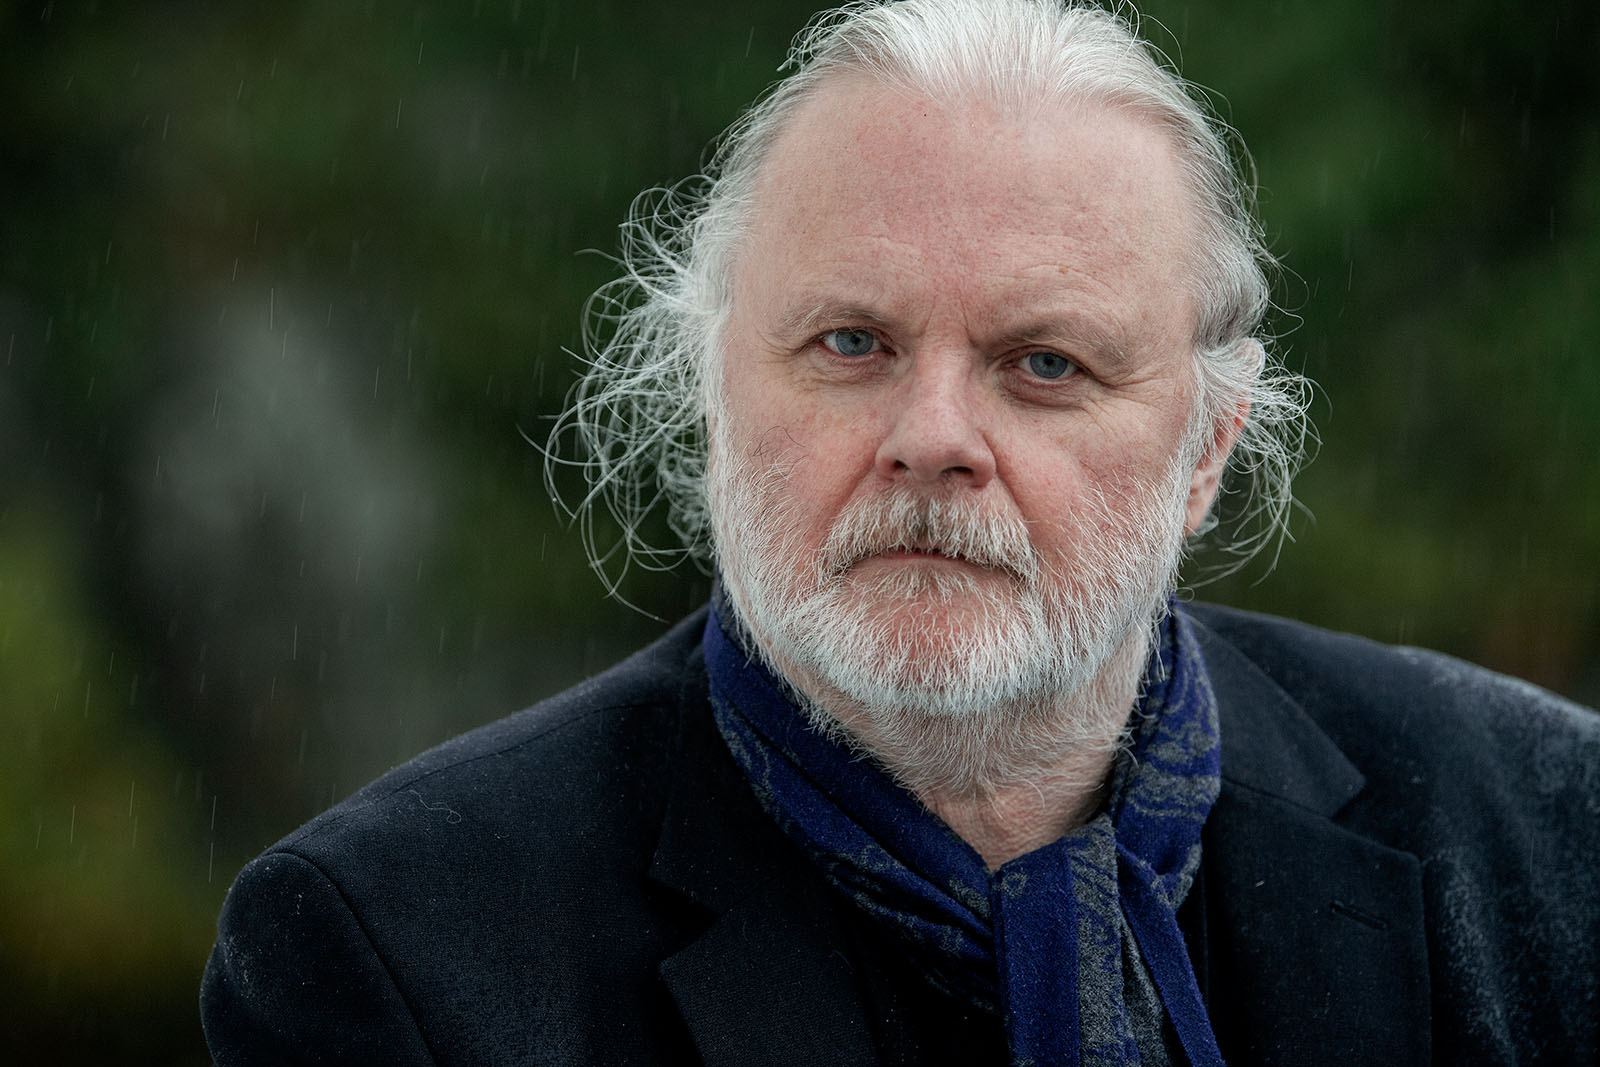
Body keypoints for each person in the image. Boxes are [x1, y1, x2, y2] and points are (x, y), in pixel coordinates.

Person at [200, 1, 1600, 1063]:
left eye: (1045, 363)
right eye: (852, 341)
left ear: (1205, 454)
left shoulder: (1547, 839)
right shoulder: (389, 951)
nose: (933, 432)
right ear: (710, 396)